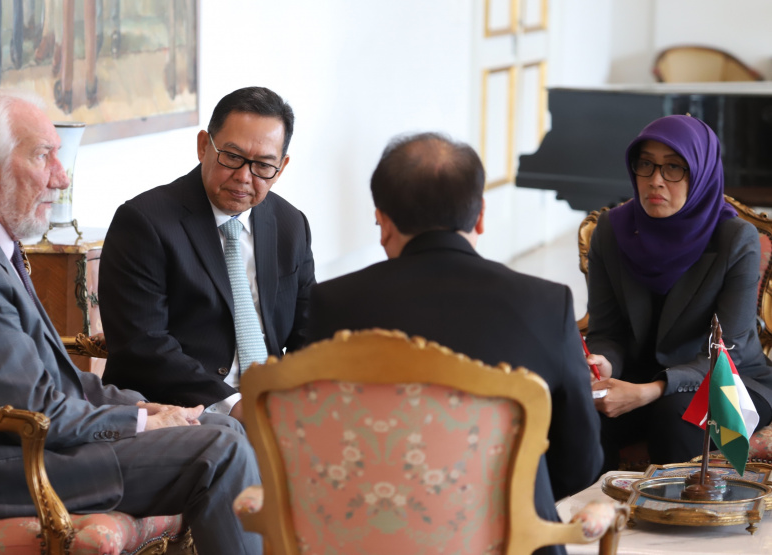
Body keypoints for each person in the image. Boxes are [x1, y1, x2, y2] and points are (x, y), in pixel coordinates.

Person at [0, 90, 262, 554]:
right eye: (44, 156)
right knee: (219, 451)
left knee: (224, 429)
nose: (61, 177)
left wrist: (149, 410)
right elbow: (38, 407)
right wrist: (139, 425)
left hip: (36, 451)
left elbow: (59, 381)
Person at [306, 132, 602, 555]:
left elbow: (320, 444)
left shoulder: (332, 304)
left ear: (383, 222)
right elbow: (580, 465)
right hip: (511, 540)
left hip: (370, 539)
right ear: (480, 216)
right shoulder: (546, 304)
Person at [99, 86, 315, 421]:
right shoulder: (145, 223)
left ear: (281, 168)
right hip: (178, 408)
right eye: (232, 157)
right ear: (204, 146)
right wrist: (236, 406)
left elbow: (308, 334)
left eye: (263, 166)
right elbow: (143, 347)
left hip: (271, 406)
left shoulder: (290, 225)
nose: (244, 177)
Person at [585, 114, 772, 470]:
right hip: (638, 380)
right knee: (579, 415)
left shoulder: (736, 240)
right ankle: (593, 518)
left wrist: (649, 390)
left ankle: (679, 522)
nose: (655, 181)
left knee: (674, 417)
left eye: (674, 168)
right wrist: (603, 362)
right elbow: (607, 333)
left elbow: (724, 354)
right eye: (646, 165)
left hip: (730, 384)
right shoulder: (612, 231)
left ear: (700, 173)